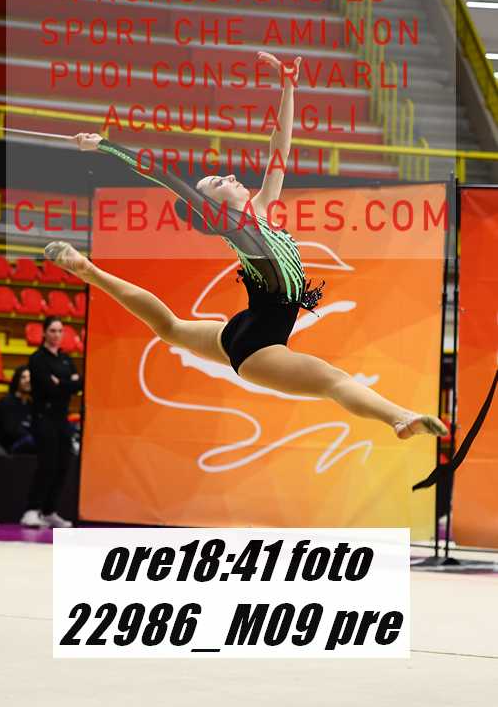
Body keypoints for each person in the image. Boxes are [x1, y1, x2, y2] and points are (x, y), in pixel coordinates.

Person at [46, 50, 447, 442]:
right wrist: (104, 145)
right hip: (260, 347)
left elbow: (279, 148)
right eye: (218, 182)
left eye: (223, 174)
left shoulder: (264, 208)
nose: (230, 176)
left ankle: (89, 271)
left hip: (244, 327)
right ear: (212, 206)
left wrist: (288, 87)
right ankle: (399, 417)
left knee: (170, 328)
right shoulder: (233, 225)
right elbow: (165, 176)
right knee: (333, 380)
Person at [20, 316, 82, 528]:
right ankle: (31, 509)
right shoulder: (37, 359)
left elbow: (78, 384)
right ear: (44, 333)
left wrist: (61, 383)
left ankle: (49, 511)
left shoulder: (65, 359)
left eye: (60, 331)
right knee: (47, 463)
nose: (56, 335)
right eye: (53, 331)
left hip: (62, 418)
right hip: (43, 417)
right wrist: (68, 383)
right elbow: (49, 387)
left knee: (64, 464)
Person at [0, 365, 36, 454]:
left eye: (30, 378)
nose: (28, 380)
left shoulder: (31, 405)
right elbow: (10, 430)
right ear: (17, 381)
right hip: (8, 448)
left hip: (28, 443)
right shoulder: (6, 402)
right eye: (23, 377)